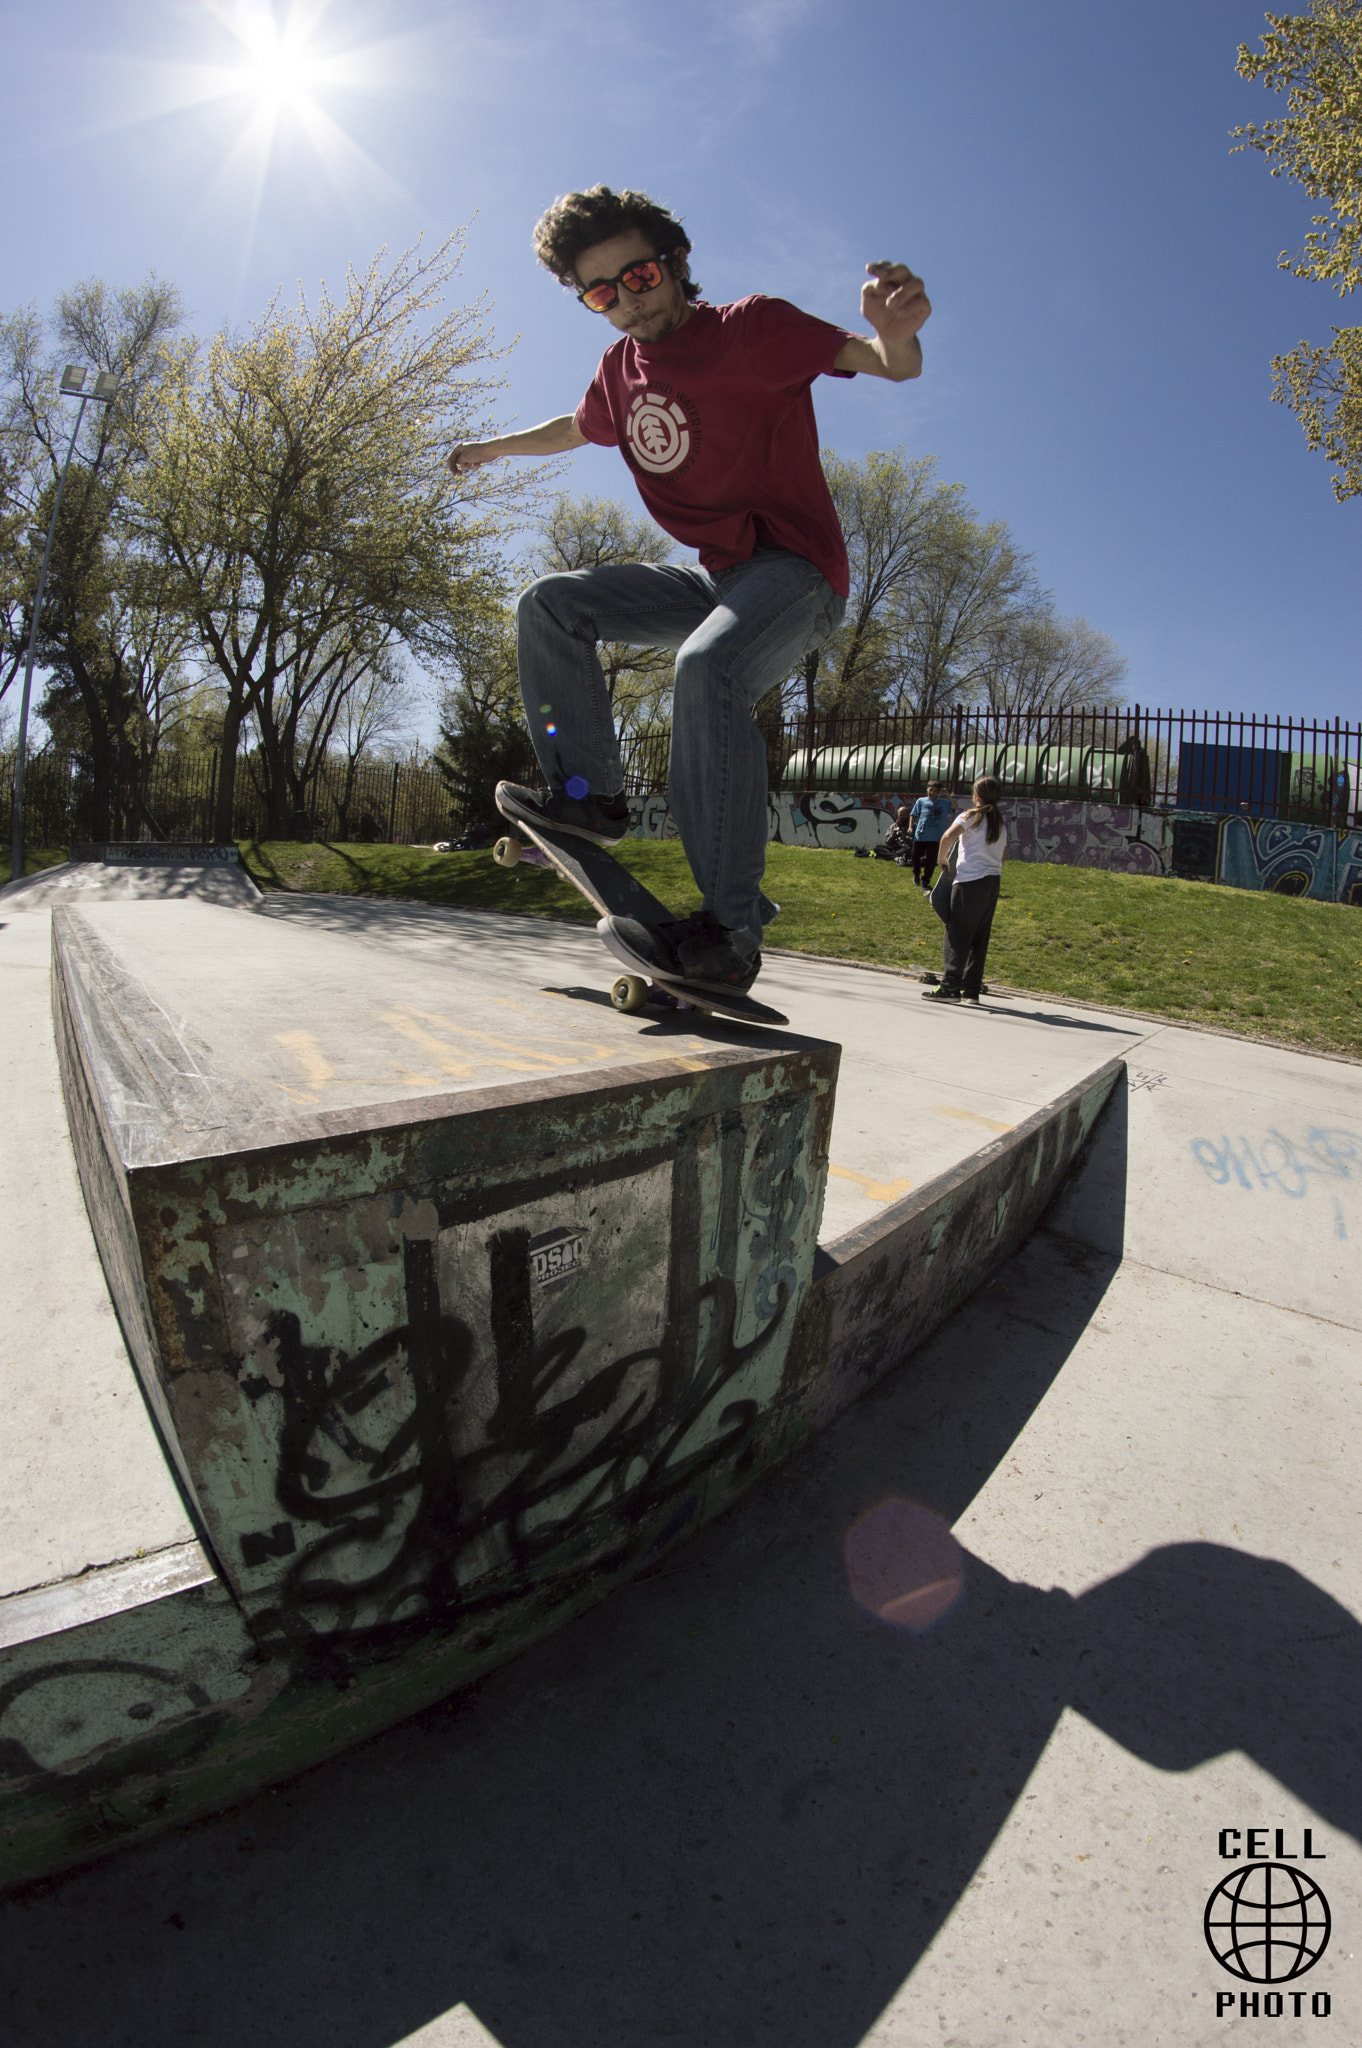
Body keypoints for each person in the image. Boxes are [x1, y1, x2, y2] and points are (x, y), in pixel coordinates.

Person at [447, 185, 931, 998]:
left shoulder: (753, 329)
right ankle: (587, 797)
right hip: (715, 577)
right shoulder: (617, 370)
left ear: (674, 264)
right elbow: (573, 427)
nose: (625, 305)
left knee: (706, 671)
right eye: (600, 293)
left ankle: (731, 930)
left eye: (636, 279)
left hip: (795, 573)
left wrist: (896, 336)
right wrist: (492, 449)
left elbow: (883, 362)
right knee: (551, 604)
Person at [922, 776, 1007, 1005]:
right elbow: (1002, 856)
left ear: (976, 795)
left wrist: (941, 859)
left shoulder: (969, 816)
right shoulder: (999, 822)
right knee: (979, 936)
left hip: (969, 881)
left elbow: (948, 836)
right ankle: (971, 991)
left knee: (957, 934)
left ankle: (950, 988)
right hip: (992, 883)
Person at [908, 780, 954, 891]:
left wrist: (947, 794)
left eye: (934, 790)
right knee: (915, 856)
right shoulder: (921, 801)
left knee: (931, 860)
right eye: (930, 789)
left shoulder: (943, 803)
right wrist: (910, 827)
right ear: (927, 788)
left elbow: (955, 806)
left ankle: (925, 881)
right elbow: (913, 814)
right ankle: (916, 873)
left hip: (935, 836)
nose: (931, 792)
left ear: (938, 792)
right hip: (921, 834)